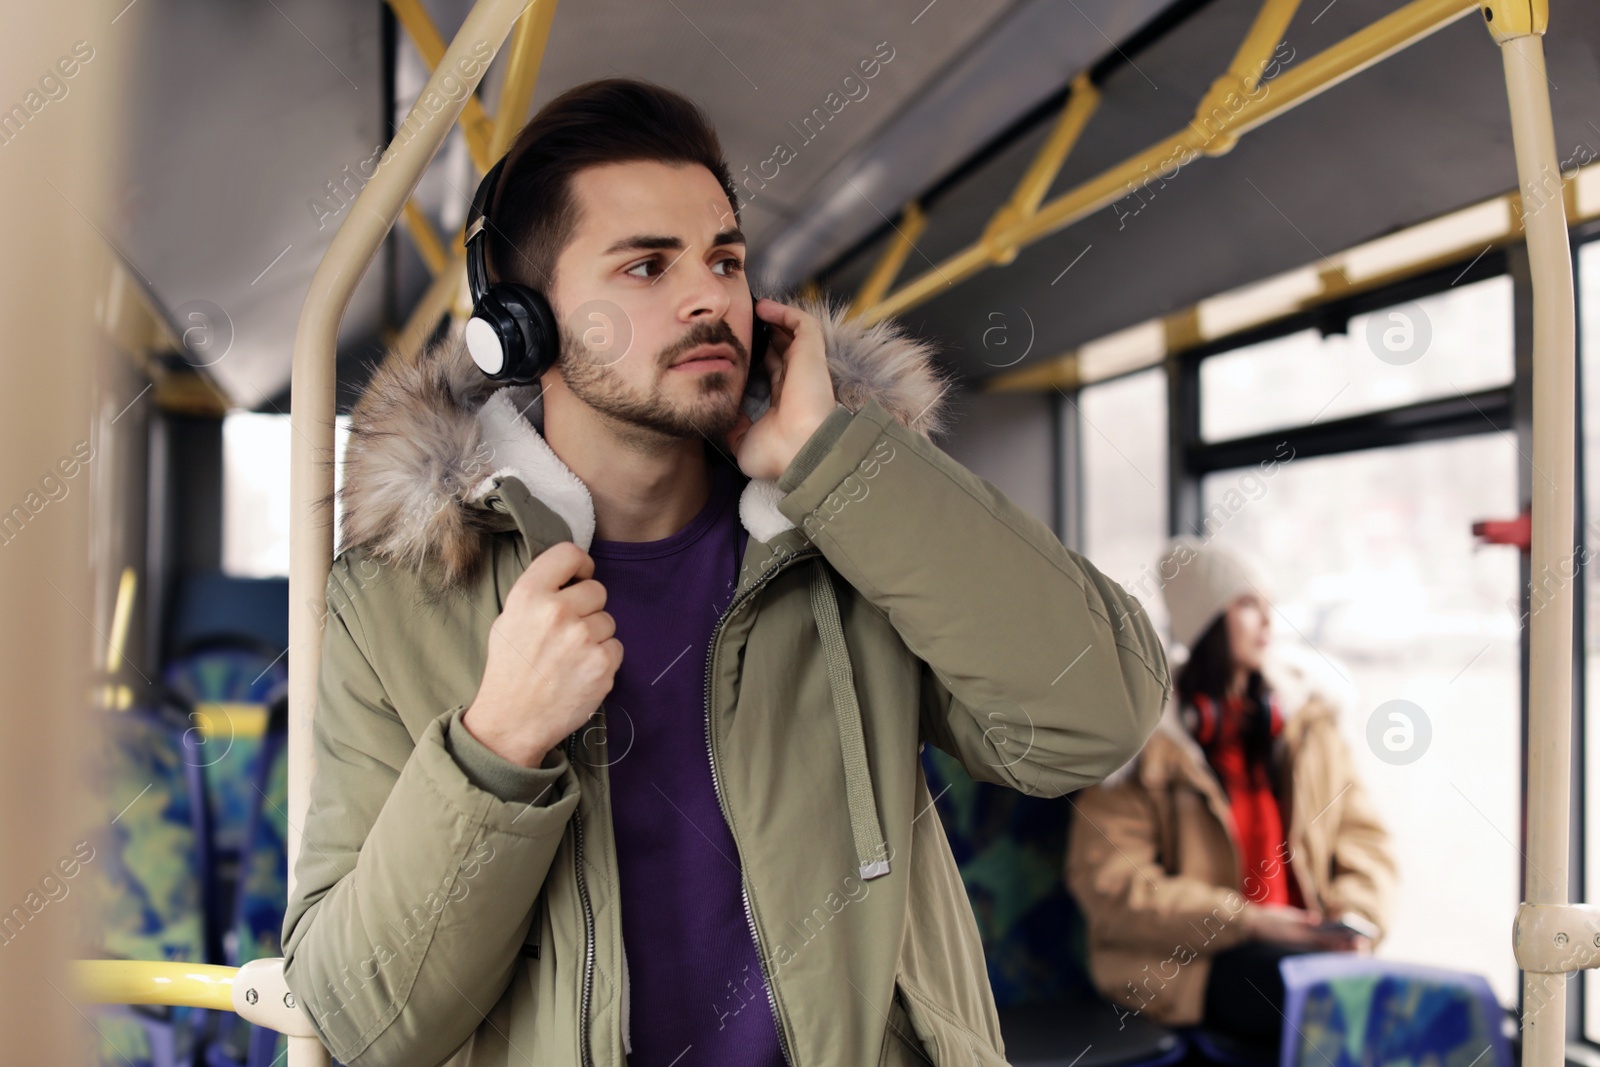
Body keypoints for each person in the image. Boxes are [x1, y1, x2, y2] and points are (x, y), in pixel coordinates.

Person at [281, 78, 1170, 1067]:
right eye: (646, 266)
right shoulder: (395, 601)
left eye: (726, 259)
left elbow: (1096, 715)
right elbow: (361, 1018)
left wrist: (843, 462)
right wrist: (497, 744)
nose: (709, 296)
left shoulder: (846, 534)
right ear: (522, 321)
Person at [1065, 536, 1396, 1045]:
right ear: (1206, 622)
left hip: (1309, 944)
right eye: (1247, 605)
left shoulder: (1309, 728)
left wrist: (1355, 920)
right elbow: (1115, 887)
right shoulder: (1144, 748)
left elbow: (1365, 842)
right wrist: (1250, 922)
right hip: (1190, 962)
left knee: (1370, 994)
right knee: (1310, 998)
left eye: (1270, 606)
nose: (1269, 623)